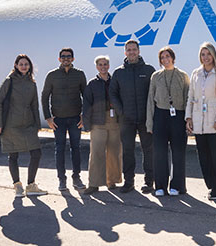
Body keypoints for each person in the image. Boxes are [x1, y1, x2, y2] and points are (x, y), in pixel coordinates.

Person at [0, 54, 47, 197]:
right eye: (21, 64)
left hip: (28, 124)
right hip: (11, 125)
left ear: (29, 66)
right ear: (16, 66)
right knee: (13, 155)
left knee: (36, 153)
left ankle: (31, 185)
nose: (24, 66)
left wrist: (37, 124)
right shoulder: (9, 81)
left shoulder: (32, 83)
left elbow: (35, 105)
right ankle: (17, 186)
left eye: (26, 64)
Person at [109, 39, 156, 193]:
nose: (131, 52)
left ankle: (149, 182)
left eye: (134, 49)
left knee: (148, 150)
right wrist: (121, 111)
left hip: (145, 119)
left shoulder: (149, 70)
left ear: (139, 51)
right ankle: (129, 182)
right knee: (128, 151)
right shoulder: (119, 72)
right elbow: (113, 94)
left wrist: (151, 113)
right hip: (126, 119)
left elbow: (155, 92)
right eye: (128, 50)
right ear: (125, 52)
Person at [186, 42, 216, 200]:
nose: (206, 57)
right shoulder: (195, 73)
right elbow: (191, 97)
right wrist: (188, 117)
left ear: (213, 55)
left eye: (208, 54)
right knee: (203, 156)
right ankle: (213, 184)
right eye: (203, 54)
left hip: (215, 122)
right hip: (199, 121)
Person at [41, 47, 87, 191]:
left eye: (68, 56)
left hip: (75, 119)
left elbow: (86, 96)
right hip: (58, 120)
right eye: (63, 56)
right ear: (59, 59)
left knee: (76, 149)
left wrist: (84, 115)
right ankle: (62, 179)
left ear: (73, 59)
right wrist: (48, 117)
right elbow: (44, 97)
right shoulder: (52, 75)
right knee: (59, 149)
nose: (66, 58)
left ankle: (76, 177)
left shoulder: (79, 74)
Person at [146, 46, 190, 196]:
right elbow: (150, 100)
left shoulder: (182, 76)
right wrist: (149, 123)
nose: (165, 59)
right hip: (160, 115)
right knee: (159, 153)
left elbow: (188, 99)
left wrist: (188, 120)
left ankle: (177, 186)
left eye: (167, 56)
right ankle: (160, 186)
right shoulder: (156, 76)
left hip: (178, 116)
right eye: (162, 58)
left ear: (173, 57)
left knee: (178, 152)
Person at [81, 55, 121, 194]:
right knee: (97, 152)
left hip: (114, 121)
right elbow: (86, 104)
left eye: (105, 64)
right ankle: (94, 183)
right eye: (100, 65)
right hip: (97, 122)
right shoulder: (92, 84)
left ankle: (112, 181)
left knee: (114, 152)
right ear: (96, 67)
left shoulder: (115, 81)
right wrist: (87, 124)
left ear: (108, 66)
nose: (103, 67)